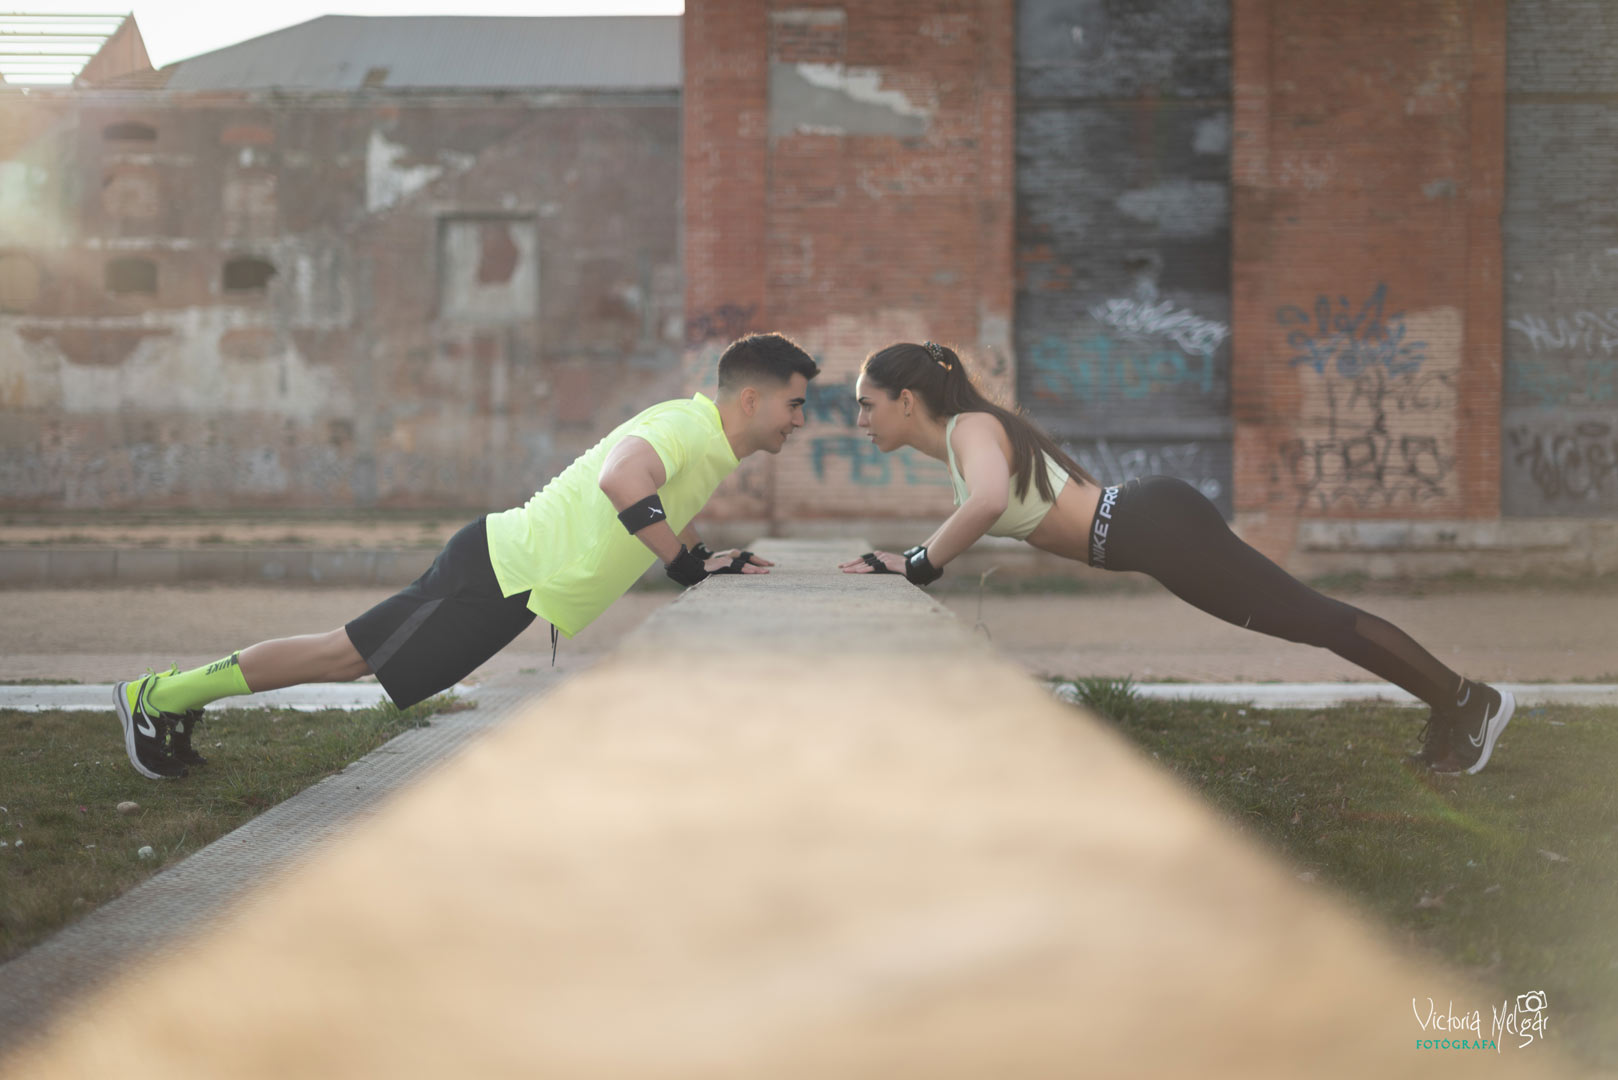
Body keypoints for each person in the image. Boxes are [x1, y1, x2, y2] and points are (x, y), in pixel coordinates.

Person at [115, 333, 818, 780]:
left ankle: (171, 699)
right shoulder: (685, 427)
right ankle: (159, 695)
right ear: (751, 397)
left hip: (507, 578)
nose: (799, 419)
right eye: (794, 404)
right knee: (346, 655)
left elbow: (650, 500)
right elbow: (621, 480)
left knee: (350, 655)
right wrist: (683, 565)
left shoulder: (701, 437)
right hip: (497, 571)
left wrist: (702, 554)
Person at [838, 340, 1513, 775]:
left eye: (866, 407)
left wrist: (919, 562)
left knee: (1317, 619)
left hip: (1155, 525)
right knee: (1311, 620)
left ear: (906, 400)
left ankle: (1467, 700)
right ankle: (1454, 702)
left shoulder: (971, 429)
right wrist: (912, 558)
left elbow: (986, 502)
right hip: (1153, 532)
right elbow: (985, 500)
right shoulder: (966, 433)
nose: (860, 422)